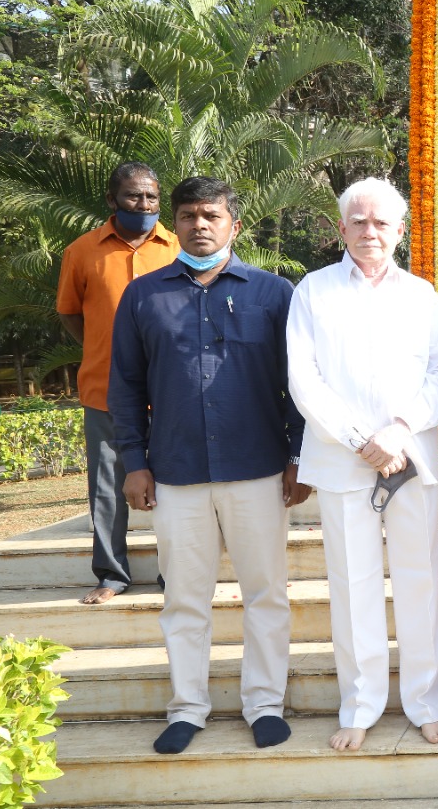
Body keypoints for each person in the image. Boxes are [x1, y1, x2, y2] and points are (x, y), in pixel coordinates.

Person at [109, 176, 308, 754]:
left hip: (258, 469)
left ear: (233, 225)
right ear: (177, 223)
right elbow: (124, 386)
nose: (200, 224)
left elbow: (297, 385)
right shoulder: (144, 297)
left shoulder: (273, 294)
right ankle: (188, 708)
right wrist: (133, 461)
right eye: (190, 215)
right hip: (176, 473)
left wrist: (298, 456)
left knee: (266, 593)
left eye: (212, 215)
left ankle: (264, 704)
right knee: (184, 600)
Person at [286, 178, 438, 751]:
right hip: (343, 461)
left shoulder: (422, 296)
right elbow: (303, 378)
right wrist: (363, 437)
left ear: (400, 231)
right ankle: (359, 705)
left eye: (381, 222)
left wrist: (399, 430)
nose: (369, 231)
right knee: (353, 583)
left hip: (410, 459)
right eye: (358, 221)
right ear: (341, 228)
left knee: (419, 580)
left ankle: (425, 702)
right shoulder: (313, 291)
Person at [56, 162, 179, 604]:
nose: (143, 205)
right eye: (133, 197)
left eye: (151, 198)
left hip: (171, 389)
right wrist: (104, 347)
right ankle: (111, 573)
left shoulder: (179, 248)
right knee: (106, 484)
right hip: (104, 387)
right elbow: (70, 311)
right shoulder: (82, 251)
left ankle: (177, 573)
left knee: (175, 484)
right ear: (112, 200)